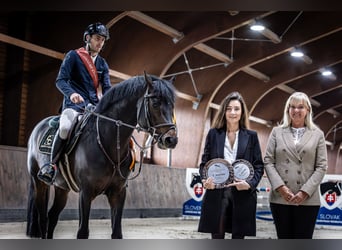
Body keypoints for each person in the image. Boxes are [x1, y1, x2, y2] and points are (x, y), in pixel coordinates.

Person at [37, 22, 112, 185]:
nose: (101, 43)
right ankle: (51, 166)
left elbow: (107, 89)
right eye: (98, 39)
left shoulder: (102, 64)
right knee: (64, 128)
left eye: (103, 40)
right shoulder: (73, 56)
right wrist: (72, 94)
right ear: (88, 38)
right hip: (73, 107)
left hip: (93, 108)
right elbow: (60, 80)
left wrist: (108, 104)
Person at [198, 91, 264, 239]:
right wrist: (204, 181)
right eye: (228, 108)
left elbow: (259, 166)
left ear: (242, 112)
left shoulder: (251, 136)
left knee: (238, 237)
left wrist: (249, 184)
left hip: (242, 193)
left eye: (236, 108)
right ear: (223, 111)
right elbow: (204, 164)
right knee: (217, 235)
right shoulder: (213, 134)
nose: (232, 112)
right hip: (216, 192)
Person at [264, 92, 328, 239]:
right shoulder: (277, 132)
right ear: (288, 110)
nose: (296, 110)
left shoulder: (318, 134)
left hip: (307, 199)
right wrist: (281, 188)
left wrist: (305, 191)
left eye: (300, 107)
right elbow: (268, 161)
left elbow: (322, 166)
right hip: (280, 197)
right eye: (292, 107)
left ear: (308, 110)